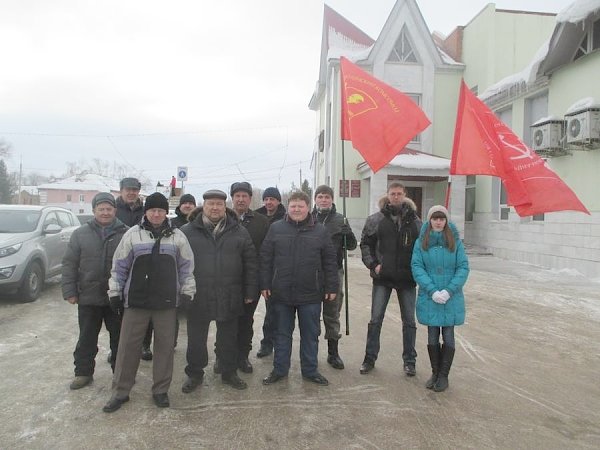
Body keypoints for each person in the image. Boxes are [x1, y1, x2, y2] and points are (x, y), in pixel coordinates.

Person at [102, 192, 196, 413]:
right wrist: (115, 292)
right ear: (146, 212)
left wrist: (187, 292)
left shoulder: (177, 237)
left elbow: (187, 268)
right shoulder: (132, 235)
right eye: (152, 210)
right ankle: (120, 392)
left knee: (164, 348)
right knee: (127, 348)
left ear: (166, 213)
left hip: (166, 303)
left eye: (160, 210)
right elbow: (119, 266)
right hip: (136, 303)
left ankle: (160, 390)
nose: (156, 214)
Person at [181, 189, 257, 393]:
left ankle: (228, 372)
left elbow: (250, 263)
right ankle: (195, 374)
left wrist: (250, 291)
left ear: (226, 207)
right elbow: (178, 264)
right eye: (210, 204)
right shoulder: (187, 231)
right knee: (196, 339)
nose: (215, 208)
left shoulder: (239, 231)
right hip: (198, 294)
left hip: (230, 293)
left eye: (219, 204)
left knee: (228, 338)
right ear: (203, 206)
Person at [260, 191, 338, 386]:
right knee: (282, 334)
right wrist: (265, 283)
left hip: (310, 293)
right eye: (293, 206)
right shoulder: (276, 228)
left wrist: (331, 286)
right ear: (288, 207)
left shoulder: (320, 231)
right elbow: (265, 258)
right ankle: (279, 370)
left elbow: (330, 261)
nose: (296, 209)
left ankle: (310, 370)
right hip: (281, 292)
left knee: (310, 335)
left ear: (307, 207)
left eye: (300, 206)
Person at [62, 192, 128, 390]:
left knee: (119, 339)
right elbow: (69, 263)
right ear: (94, 211)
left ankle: (120, 375)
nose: (105, 212)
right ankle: (83, 373)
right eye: (101, 209)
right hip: (88, 296)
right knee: (86, 338)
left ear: (115, 210)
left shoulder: (126, 233)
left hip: (116, 297)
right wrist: (70, 291)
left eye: (109, 209)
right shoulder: (80, 234)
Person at [359, 182, 422, 376]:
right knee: (376, 319)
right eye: (392, 193)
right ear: (387, 195)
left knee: (409, 322)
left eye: (399, 194)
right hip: (383, 278)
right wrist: (373, 264)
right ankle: (369, 359)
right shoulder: (376, 219)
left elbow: (423, 247)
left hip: (407, 279)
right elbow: (365, 245)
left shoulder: (415, 221)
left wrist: (417, 269)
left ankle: (409, 361)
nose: (396, 197)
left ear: (404, 195)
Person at [411, 205, 469, 392]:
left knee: (449, 336)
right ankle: (435, 372)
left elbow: (463, 268)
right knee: (433, 336)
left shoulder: (455, 242)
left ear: (446, 221)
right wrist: (433, 291)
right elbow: (417, 267)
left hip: (451, 298)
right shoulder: (421, 242)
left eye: (441, 218)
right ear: (429, 221)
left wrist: (449, 291)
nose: (438, 222)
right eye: (435, 218)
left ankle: (444, 376)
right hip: (430, 297)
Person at [312, 185, 357, 370]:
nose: (323, 200)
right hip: (312, 272)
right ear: (315, 199)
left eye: (327, 197)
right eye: (320, 196)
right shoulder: (309, 218)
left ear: (332, 199)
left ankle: (333, 353)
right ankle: (311, 352)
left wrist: (348, 235)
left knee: (332, 313)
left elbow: (352, 246)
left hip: (334, 271)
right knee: (312, 314)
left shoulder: (341, 220)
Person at [226, 181, 269, 373]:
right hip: (226, 281)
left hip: (251, 280)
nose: (241, 199)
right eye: (237, 196)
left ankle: (243, 356)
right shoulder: (222, 219)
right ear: (232, 198)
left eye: (245, 196)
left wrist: (263, 282)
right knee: (225, 320)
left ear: (250, 199)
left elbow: (267, 254)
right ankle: (224, 357)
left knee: (246, 321)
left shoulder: (261, 222)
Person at [255, 186, 286, 358]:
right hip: (256, 266)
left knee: (272, 311)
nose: (268, 202)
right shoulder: (256, 216)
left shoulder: (286, 217)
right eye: (266, 199)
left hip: (275, 270)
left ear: (278, 201)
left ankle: (268, 343)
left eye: (272, 199)